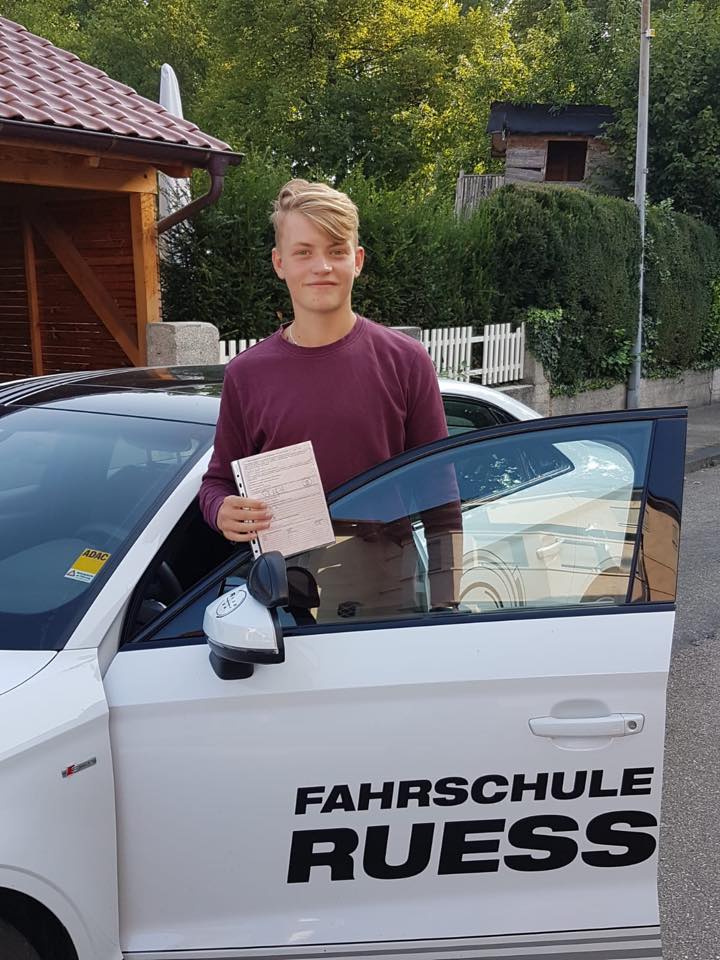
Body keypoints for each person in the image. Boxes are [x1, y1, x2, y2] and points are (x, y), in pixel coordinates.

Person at [199, 179, 461, 617]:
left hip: (389, 591)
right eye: (304, 252)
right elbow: (216, 483)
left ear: (356, 260)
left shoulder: (405, 360)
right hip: (285, 593)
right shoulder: (246, 374)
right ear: (280, 263)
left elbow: (441, 495)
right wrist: (221, 510)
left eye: (336, 251)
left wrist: (447, 603)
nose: (321, 266)